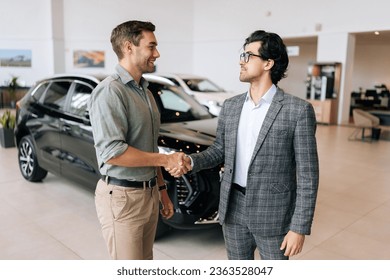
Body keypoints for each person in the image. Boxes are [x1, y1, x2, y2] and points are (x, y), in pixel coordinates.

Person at [170, 30, 319, 260]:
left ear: (269, 63)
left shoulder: (297, 111)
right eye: (242, 54)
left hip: (274, 213)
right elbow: (219, 150)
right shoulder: (231, 107)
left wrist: (299, 227)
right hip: (233, 208)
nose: (242, 60)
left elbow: (308, 175)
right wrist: (190, 161)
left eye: (249, 55)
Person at [88, 20, 186, 260]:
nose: (157, 53)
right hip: (123, 197)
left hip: (149, 193)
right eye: (151, 46)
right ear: (129, 47)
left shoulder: (145, 91)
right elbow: (113, 152)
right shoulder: (110, 91)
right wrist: (166, 159)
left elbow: (147, 147)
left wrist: (162, 190)